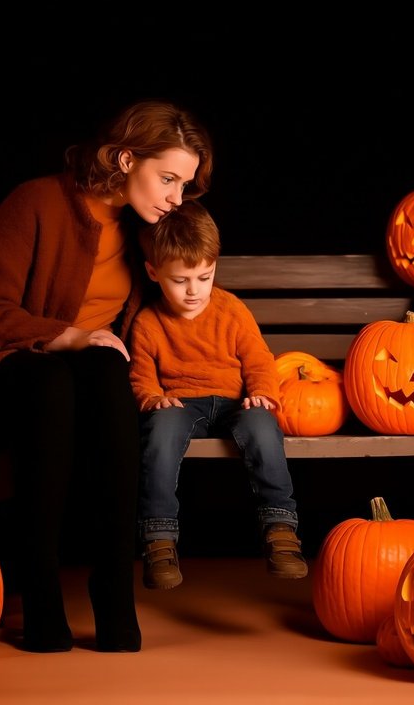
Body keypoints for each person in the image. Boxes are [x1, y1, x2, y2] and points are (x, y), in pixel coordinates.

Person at [0, 100, 214, 652]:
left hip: (84, 371)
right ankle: (39, 598)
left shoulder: (146, 230)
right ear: (127, 157)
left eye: (184, 184)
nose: (177, 197)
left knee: (110, 371)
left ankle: (114, 596)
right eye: (169, 179)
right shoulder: (37, 202)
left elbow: (182, 294)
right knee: (52, 382)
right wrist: (68, 335)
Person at [128, 200, 308, 590]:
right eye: (180, 281)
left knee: (263, 426)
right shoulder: (147, 322)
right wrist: (152, 398)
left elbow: (258, 359)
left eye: (204, 277)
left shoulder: (231, 310)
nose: (194, 291)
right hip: (180, 403)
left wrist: (261, 393)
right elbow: (140, 376)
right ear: (153, 272)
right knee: (158, 432)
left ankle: (280, 528)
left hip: (234, 402)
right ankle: (158, 539)